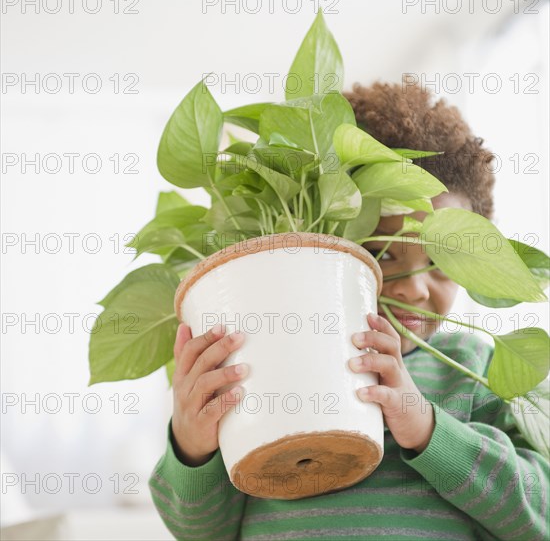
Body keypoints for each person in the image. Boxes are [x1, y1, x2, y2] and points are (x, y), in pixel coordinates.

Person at [148, 82, 549, 540]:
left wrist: (428, 429)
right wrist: (192, 447)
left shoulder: (476, 368)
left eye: (442, 263)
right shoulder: (261, 364)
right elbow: (199, 531)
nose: (416, 288)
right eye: (382, 254)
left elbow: (540, 516)